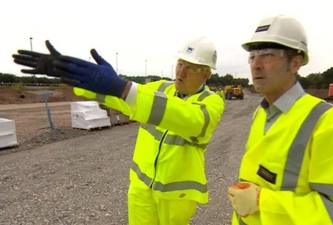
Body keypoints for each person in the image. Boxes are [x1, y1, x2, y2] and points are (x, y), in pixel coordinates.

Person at [13, 36, 224, 225]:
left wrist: (122, 88)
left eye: (191, 67)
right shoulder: (160, 89)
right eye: (180, 64)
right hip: (141, 189)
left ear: (206, 74)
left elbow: (188, 119)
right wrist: (73, 77)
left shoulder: (211, 103)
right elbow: (122, 98)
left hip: (176, 195)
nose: (181, 72)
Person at [227, 15, 333, 225]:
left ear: (295, 63)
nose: (256, 65)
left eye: (267, 55)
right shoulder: (262, 113)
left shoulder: (331, 123)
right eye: (253, 56)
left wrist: (262, 201)